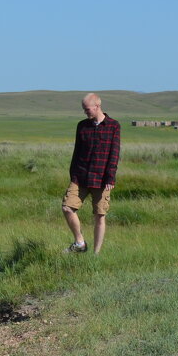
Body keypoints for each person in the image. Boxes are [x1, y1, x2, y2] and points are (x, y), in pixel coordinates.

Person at [63, 92, 120, 254]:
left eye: (87, 109)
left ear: (97, 106)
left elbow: (114, 153)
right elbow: (77, 151)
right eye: (84, 109)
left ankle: (96, 255)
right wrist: (73, 173)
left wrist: (111, 177)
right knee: (67, 207)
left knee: (100, 216)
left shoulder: (113, 126)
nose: (85, 112)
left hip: (102, 179)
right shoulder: (82, 126)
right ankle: (80, 242)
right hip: (80, 176)